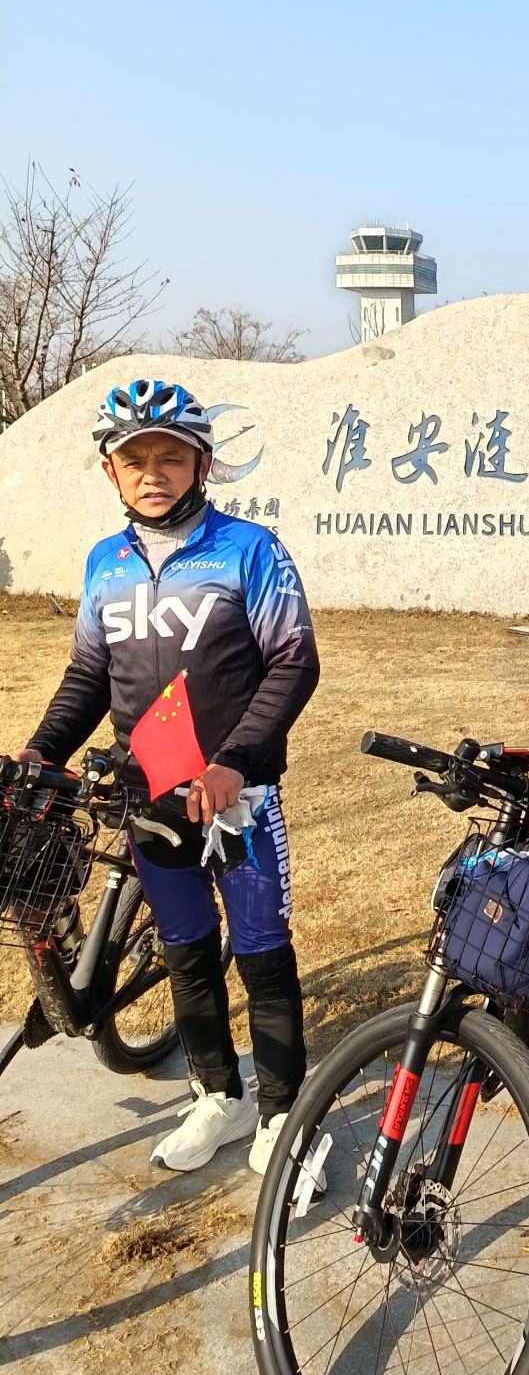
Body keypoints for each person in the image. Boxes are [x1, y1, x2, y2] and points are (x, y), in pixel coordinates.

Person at [15, 378, 321, 1175]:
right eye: (135, 459)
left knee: (262, 952)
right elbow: (90, 676)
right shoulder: (106, 563)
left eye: (172, 458)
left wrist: (235, 761)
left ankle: (284, 1117)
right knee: (185, 949)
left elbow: (294, 663)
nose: (153, 473)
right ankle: (219, 1096)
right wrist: (42, 752)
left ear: (203, 465)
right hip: (146, 798)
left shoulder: (248, 549)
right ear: (110, 472)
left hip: (237, 799)